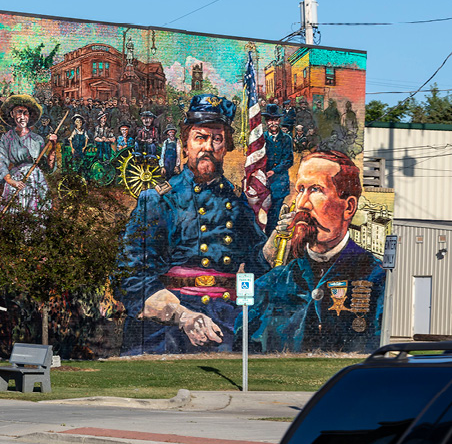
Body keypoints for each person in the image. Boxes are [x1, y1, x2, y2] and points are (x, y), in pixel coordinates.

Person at [120, 94, 270, 354]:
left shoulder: (236, 202)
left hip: (226, 318)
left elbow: (257, 265)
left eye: (217, 139)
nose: (208, 147)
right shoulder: (157, 200)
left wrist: (279, 239)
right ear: (185, 144)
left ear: (226, 147)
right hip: (168, 323)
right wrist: (182, 316)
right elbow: (132, 276)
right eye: (200, 137)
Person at [243, 151, 386, 352]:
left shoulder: (377, 276)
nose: (302, 203)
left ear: (349, 207)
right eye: (300, 189)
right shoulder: (276, 280)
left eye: (316, 190)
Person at [0, 95, 58, 213]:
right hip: (16, 181)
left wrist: (53, 147)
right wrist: (12, 182)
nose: (22, 117)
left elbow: (47, 166)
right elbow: (1, 163)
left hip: (36, 181)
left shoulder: (37, 139)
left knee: (35, 215)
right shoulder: (7, 138)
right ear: (12, 115)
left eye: (25, 113)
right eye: (19, 112)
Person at [263, 104, 294, 236]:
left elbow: (288, 160)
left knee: (274, 214)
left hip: (279, 183)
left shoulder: (286, 139)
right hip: (262, 183)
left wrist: (274, 171)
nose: (273, 123)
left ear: (279, 121)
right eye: (270, 120)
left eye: (276, 120)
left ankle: (270, 240)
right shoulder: (261, 139)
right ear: (266, 122)